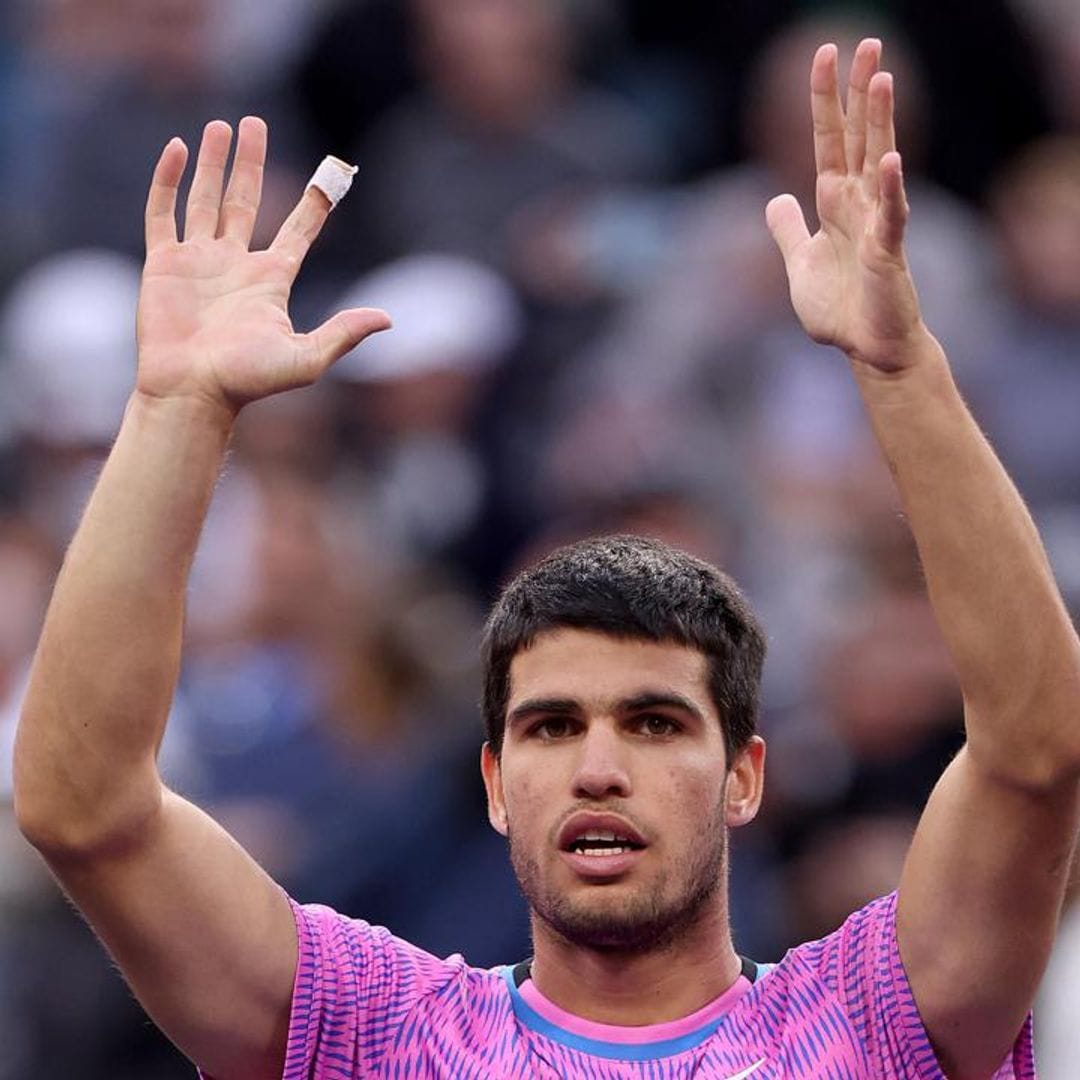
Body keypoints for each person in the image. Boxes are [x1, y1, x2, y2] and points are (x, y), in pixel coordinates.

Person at [12, 38, 1078, 1078]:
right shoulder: (374, 1032)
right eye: (550, 725)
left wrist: (900, 372)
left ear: (746, 775)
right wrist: (176, 410)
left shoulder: (873, 1019)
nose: (599, 767)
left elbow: (1040, 748)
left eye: (655, 722)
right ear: (494, 784)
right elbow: (82, 804)